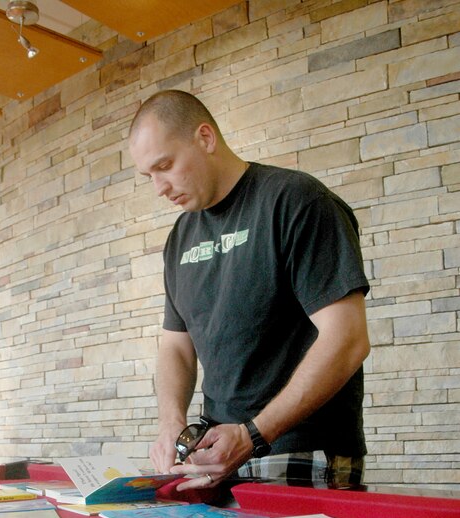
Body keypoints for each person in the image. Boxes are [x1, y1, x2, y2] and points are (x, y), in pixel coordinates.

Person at [129, 90, 371, 493]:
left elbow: (347, 339)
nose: (159, 187)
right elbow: (176, 346)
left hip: (301, 450)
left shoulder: (297, 201)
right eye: (148, 176)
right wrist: (170, 421)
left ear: (205, 138)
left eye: (165, 166)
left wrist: (254, 434)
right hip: (217, 456)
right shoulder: (180, 238)